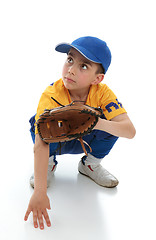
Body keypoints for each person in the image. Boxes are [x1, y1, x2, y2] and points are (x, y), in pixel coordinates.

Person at [24, 36, 136, 229]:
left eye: (84, 66)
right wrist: (40, 192)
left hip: (86, 141)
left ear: (97, 78)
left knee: (111, 124)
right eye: (70, 59)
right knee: (40, 123)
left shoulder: (102, 93)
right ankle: (48, 166)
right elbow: (40, 143)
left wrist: (96, 123)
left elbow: (129, 130)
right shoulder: (51, 94)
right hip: (57, 143)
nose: (71, 69)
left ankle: (89, 165)